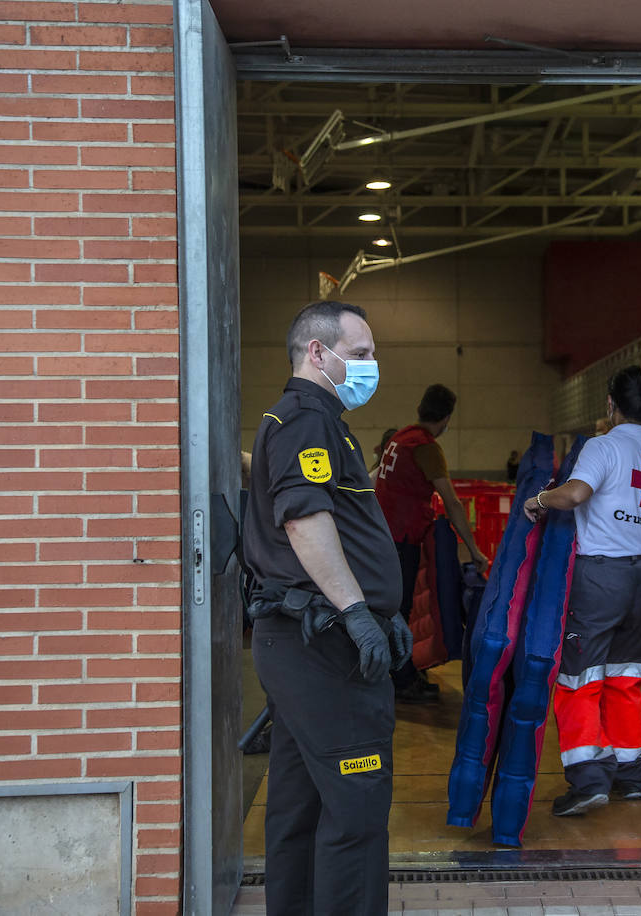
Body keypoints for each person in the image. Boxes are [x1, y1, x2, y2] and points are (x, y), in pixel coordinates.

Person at [242, 299, 409, 916]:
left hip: (303, 642)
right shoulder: (307, 419)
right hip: (324, 647)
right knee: (356, 806)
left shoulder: (309, 421)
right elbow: (305, 519)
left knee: (301, 803)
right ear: (319, 353)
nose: (371, 366)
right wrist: (358, 612)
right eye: (361, 354)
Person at [522, 366, 641, 817]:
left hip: (600, 577)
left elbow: (574, 495)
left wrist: (539, 500)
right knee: (625, 678)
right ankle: (631, 777)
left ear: (611, 404)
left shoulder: (602, 447)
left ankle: (588, 780)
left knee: (578, 679)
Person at [375, 384, 490, 703]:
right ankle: (401, 681)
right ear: (447, 417)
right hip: (401, 539)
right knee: (400, 610)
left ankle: (404, 671)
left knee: (397, 608)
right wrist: (475, 549)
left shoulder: (399, 438)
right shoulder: (424, 446)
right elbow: (452, 503)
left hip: (384, 535)